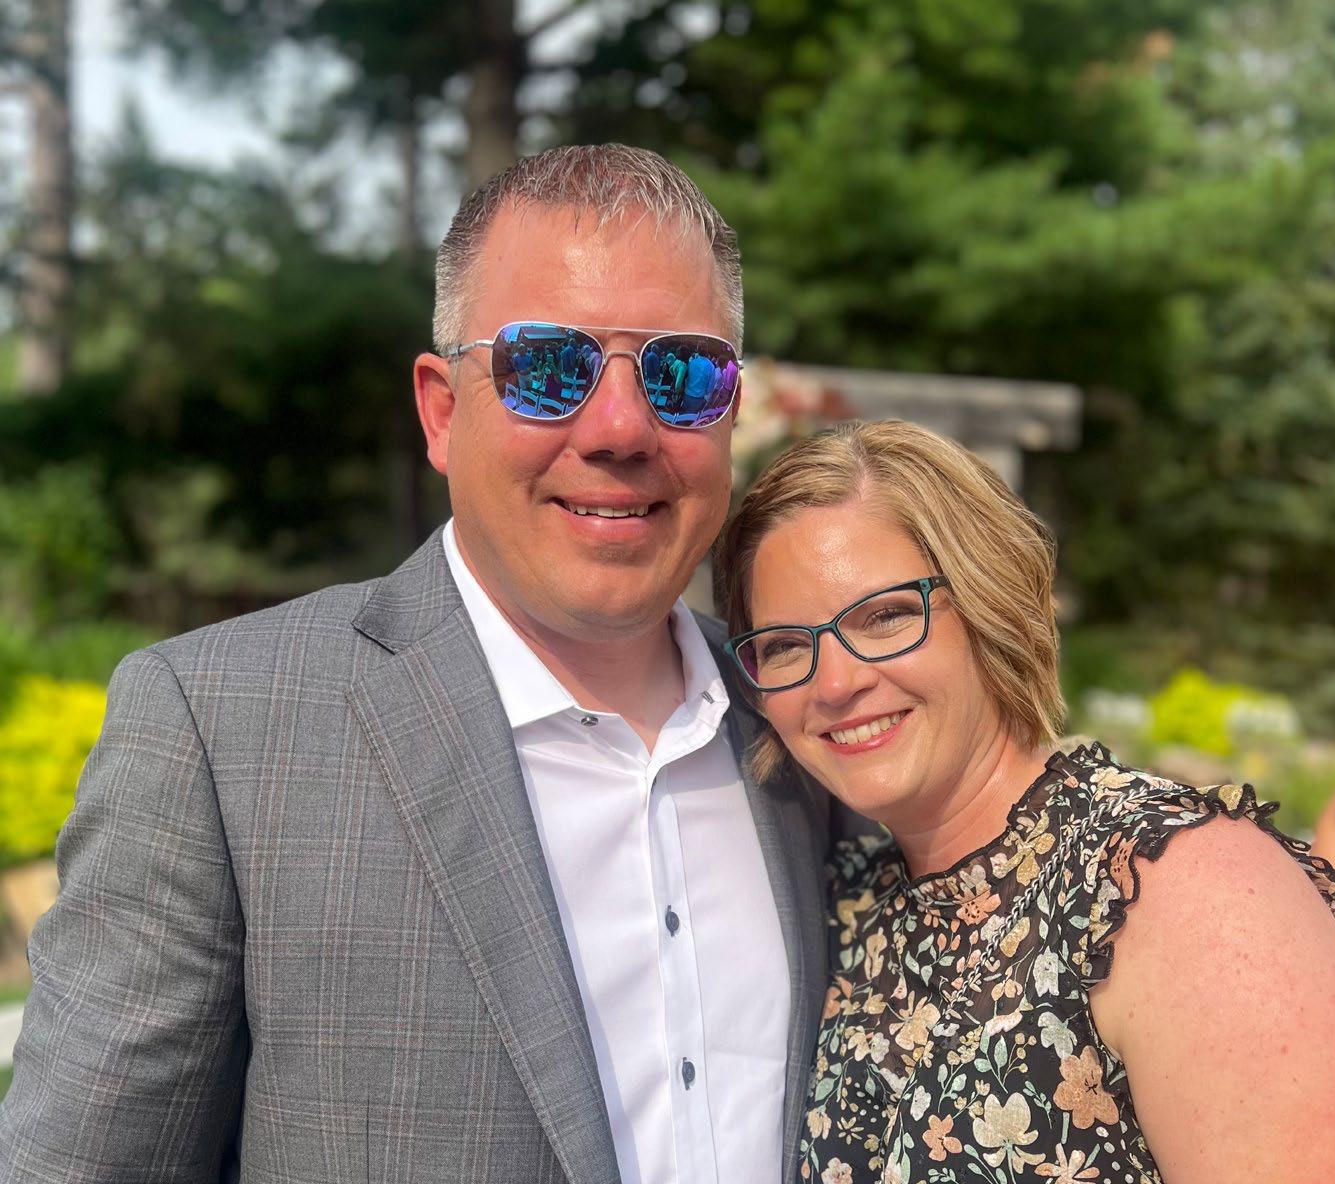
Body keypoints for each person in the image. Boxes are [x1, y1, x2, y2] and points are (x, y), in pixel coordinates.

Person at [0, 145, 831, 1184]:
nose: (620, 427)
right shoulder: (223, 732)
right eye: (548, 368)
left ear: (731, 409)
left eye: (682, 373)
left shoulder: (809, 721)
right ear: (442, 411)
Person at [715, 420, 1335, 1184]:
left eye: (885, 616)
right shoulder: (841, 904)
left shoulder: (1172, 885)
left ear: (990, 599)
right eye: (786, 646)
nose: (834, 682)